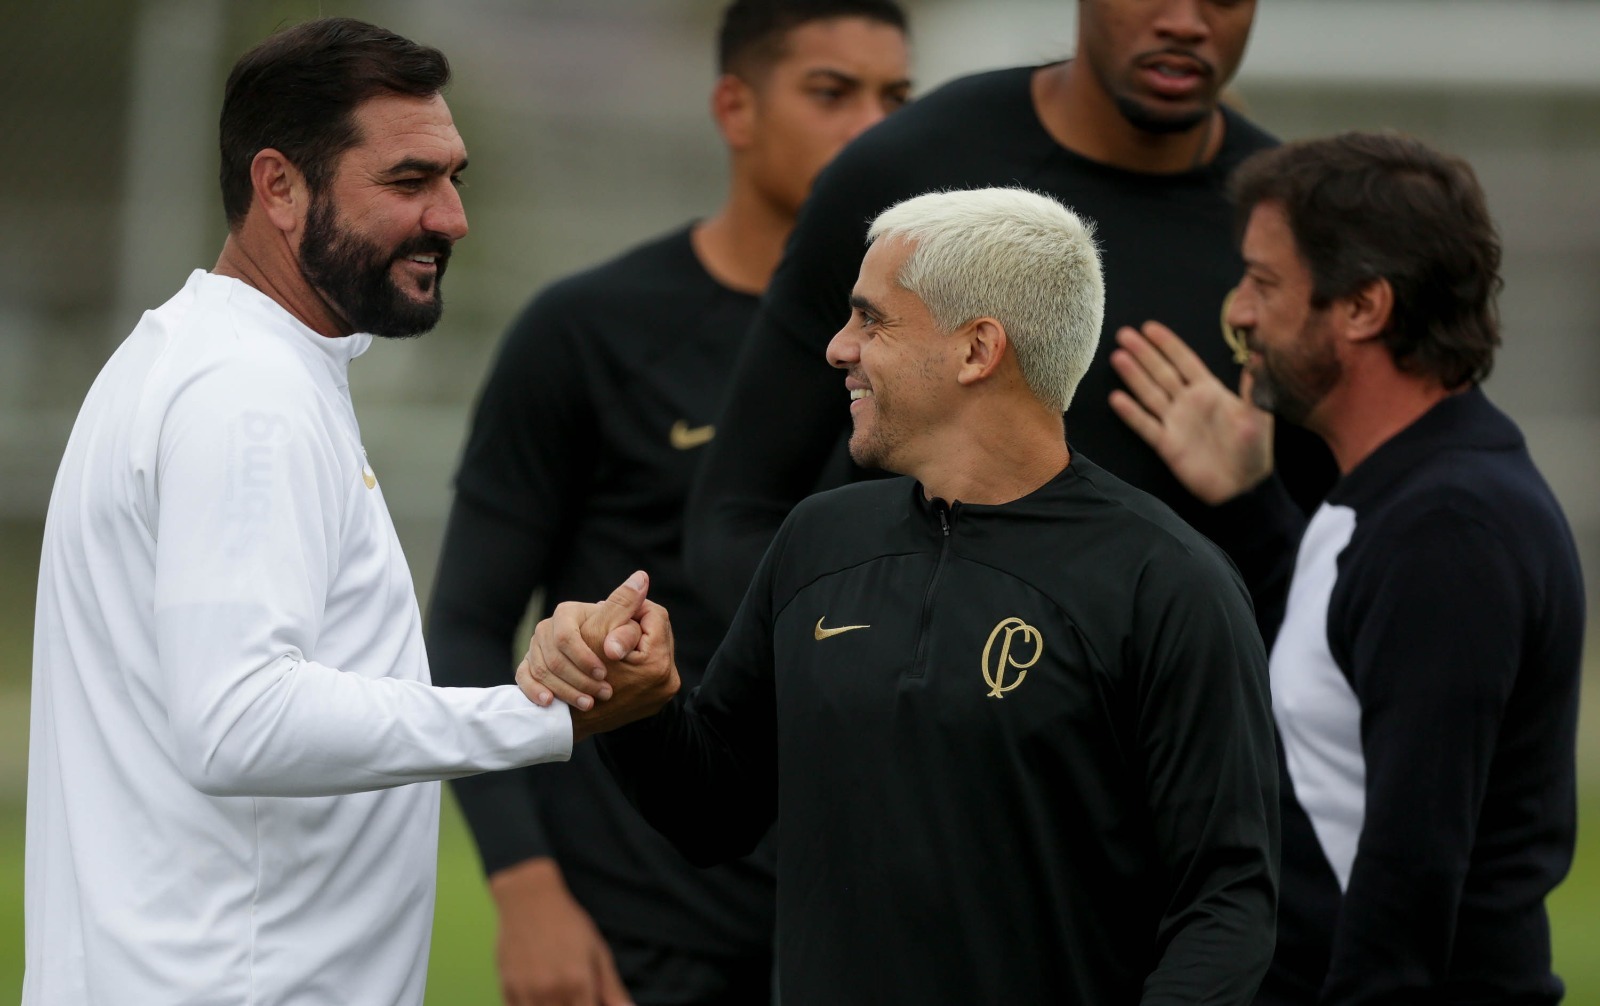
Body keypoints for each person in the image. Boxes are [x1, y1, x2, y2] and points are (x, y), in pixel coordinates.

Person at [520, 188, 1281, 1004]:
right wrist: (636, 703)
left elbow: (1226, 904)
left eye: (871, 320)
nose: (838, 348)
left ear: (976, 349)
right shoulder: (818, 541)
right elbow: (717, 815)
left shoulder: (1168, 582)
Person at [23, 19, 593, 1006]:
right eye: (409, 182)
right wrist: (540, 714)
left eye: (454, 178)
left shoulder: (214, 359)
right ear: (278, 187)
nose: (452, 217)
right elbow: (238, 720)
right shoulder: (247, 394)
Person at [426, 3, 910, 1003]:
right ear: (734, 106)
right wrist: (526, 891)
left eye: (895, 99)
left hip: (866, 921)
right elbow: (468, 625)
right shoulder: (589, 329)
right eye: (831, 92)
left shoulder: (940, 351)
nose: (872, 127)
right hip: (640, 927)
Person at [1107, 132, 1585, 1003]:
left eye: (1264, 281)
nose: (1239, 311)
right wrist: (1250, 507)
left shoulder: (1449, 527)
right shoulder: (1396, 495)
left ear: (1363, 306)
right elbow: (1338, 690)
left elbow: (1410, 875)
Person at [683, 0, 1335, 629]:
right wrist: (872, 663)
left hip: (1160, 730)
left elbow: (1355, 586)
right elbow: (737, 517)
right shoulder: (903, 167)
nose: (1186, 22)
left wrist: (1253, 504)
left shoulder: (1293, 229)